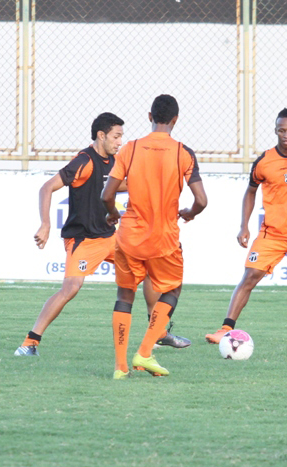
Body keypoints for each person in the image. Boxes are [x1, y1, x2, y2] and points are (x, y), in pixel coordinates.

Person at [14, 112, 190, 358]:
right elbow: (47, 187)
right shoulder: (84, 161)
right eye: (116, 137)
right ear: (101, 135)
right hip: (83, 239)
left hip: (111, 237)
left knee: (152, 269)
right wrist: (45, 224)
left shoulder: (115, 162)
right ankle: (30, 342)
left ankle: (159, 332)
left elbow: (128, 184)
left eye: (121, 137)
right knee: (71, 288)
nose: (120, 142)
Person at [205, 108, 287, 344]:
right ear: (275, 131)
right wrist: (244, 226)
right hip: (271, 234)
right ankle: (225, 328)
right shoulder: (264, 161)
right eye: (282, 130)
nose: (286, 135)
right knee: (250, 276)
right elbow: (251, 191)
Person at [101, 95, 207, 379]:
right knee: (172, 290)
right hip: (164, 238)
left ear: (150, 116)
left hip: (129, 236)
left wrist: (112, 213)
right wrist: (190, 212)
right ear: (175, 120)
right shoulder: (183, 152)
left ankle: (120, 367)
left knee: (125, 295)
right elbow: (202, 200)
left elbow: (107, 194)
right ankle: (145, 352)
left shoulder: (131, 149)